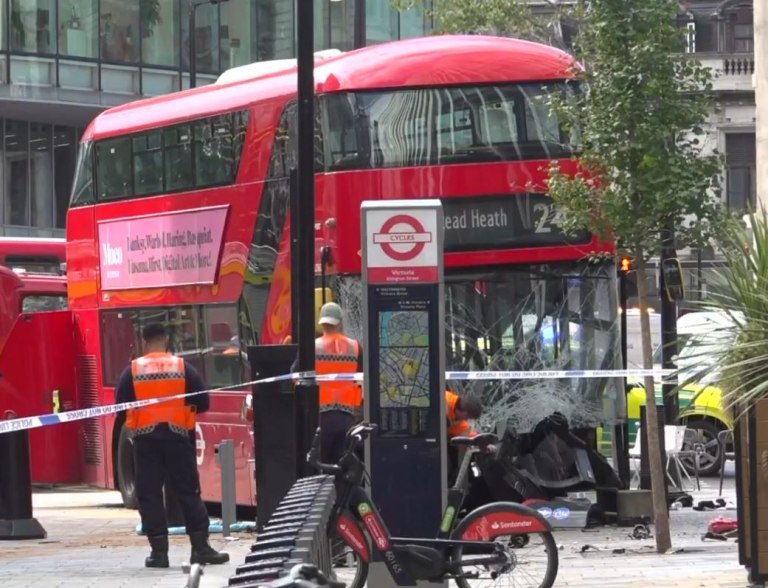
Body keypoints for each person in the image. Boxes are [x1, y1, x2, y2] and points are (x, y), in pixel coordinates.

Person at [115, 322, 229, 568]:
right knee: (189, 492)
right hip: (178, 439)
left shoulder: (132, 371)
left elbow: (120, 407)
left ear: (144, 341)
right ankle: (200, 548)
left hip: (146, 442)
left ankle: (159, 553)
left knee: (150, 495)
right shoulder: (182, 367)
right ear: (166, 339)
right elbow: (203, 401)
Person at [314, 302, 363, 463]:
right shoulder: (355, 347)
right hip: (347, 417)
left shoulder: (314, 347)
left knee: (321, 467)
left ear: (321, 323)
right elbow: (361, 380)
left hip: (321, 417)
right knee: (343, 466)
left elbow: (296, 376)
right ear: (340, 322)